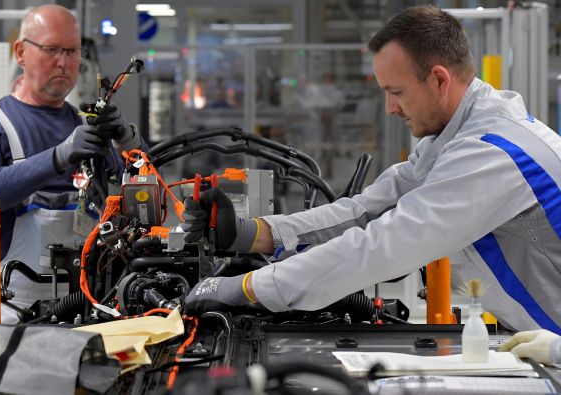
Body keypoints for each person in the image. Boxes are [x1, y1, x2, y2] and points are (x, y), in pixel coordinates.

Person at [183, 5, 561, 335]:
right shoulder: (453, 141)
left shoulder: (493, 152)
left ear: (440, 80)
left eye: (396, 92)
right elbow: (364, 212)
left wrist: (247, 289)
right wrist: (251, 233)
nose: (389, 109)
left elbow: (384, 244)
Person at [0, 4, 143, 323]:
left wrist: (128, 141)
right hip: (8, 302)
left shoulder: (87, 126)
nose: (63, 62)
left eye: (72, 51)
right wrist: (58, 157)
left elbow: (142, 196)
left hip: (82, 299)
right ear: (20, 52)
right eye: (52, 49)